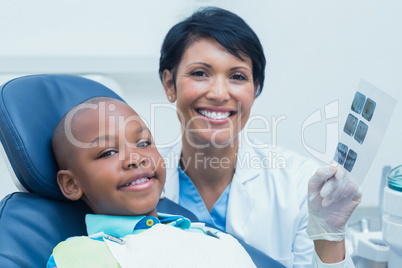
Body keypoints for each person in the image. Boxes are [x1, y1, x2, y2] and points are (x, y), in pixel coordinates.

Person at [158, 6, 361, 267]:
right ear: (169, 84)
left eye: (237, 77)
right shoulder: (140, 179)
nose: (219, 93)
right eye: (200, 73)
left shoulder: (299, 185)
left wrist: (330, 236)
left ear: (254, 90)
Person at [46, 96, 257, 267]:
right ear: (71, 184)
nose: (136, 158)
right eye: (108, 152)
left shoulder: (208, 235)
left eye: (144, 143)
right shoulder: (77, 257)